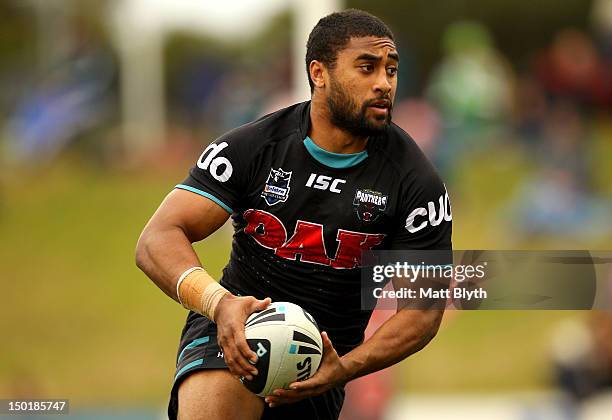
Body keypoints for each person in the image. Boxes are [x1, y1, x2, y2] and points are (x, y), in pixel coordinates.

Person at [136, 9, 452, 420]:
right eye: (367, 67)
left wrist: (345, 369)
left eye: (391, 70)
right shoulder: (252, 147)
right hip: (232, 330)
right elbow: (157, 238)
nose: (383, 83)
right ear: (319, 73)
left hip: (322, 364)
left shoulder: (415, 182)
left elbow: (423, 310)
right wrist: (219, 304)